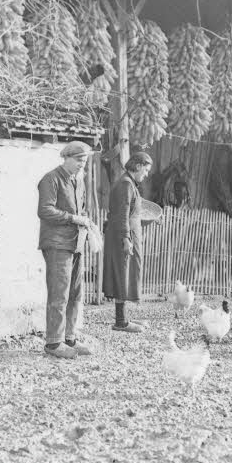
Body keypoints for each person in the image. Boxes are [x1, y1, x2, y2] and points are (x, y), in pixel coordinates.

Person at [37, 141, 94, 359]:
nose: (82, 164)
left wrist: (87, 224)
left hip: (75, 243)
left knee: (75, 294)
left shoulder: (78, 182)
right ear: (66, 157)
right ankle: (53, 343)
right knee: (59, 294)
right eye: (79, 160)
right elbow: (45, 210)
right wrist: (73, 218)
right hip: (57, 244)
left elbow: (83, 209)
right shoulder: (51, 179)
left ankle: (69, 339)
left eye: (85, 160)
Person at [103, 151, 153, 332]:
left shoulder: (130, 183)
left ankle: (123, 318)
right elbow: (122, 215)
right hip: (122, 237)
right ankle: (121, 321)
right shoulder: (125, 185)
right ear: (138, 166)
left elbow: (131, 212)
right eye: (146, 170)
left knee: (127, 274)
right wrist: (126, 238)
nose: (146, 174)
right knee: (122, 275)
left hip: (128, 234)